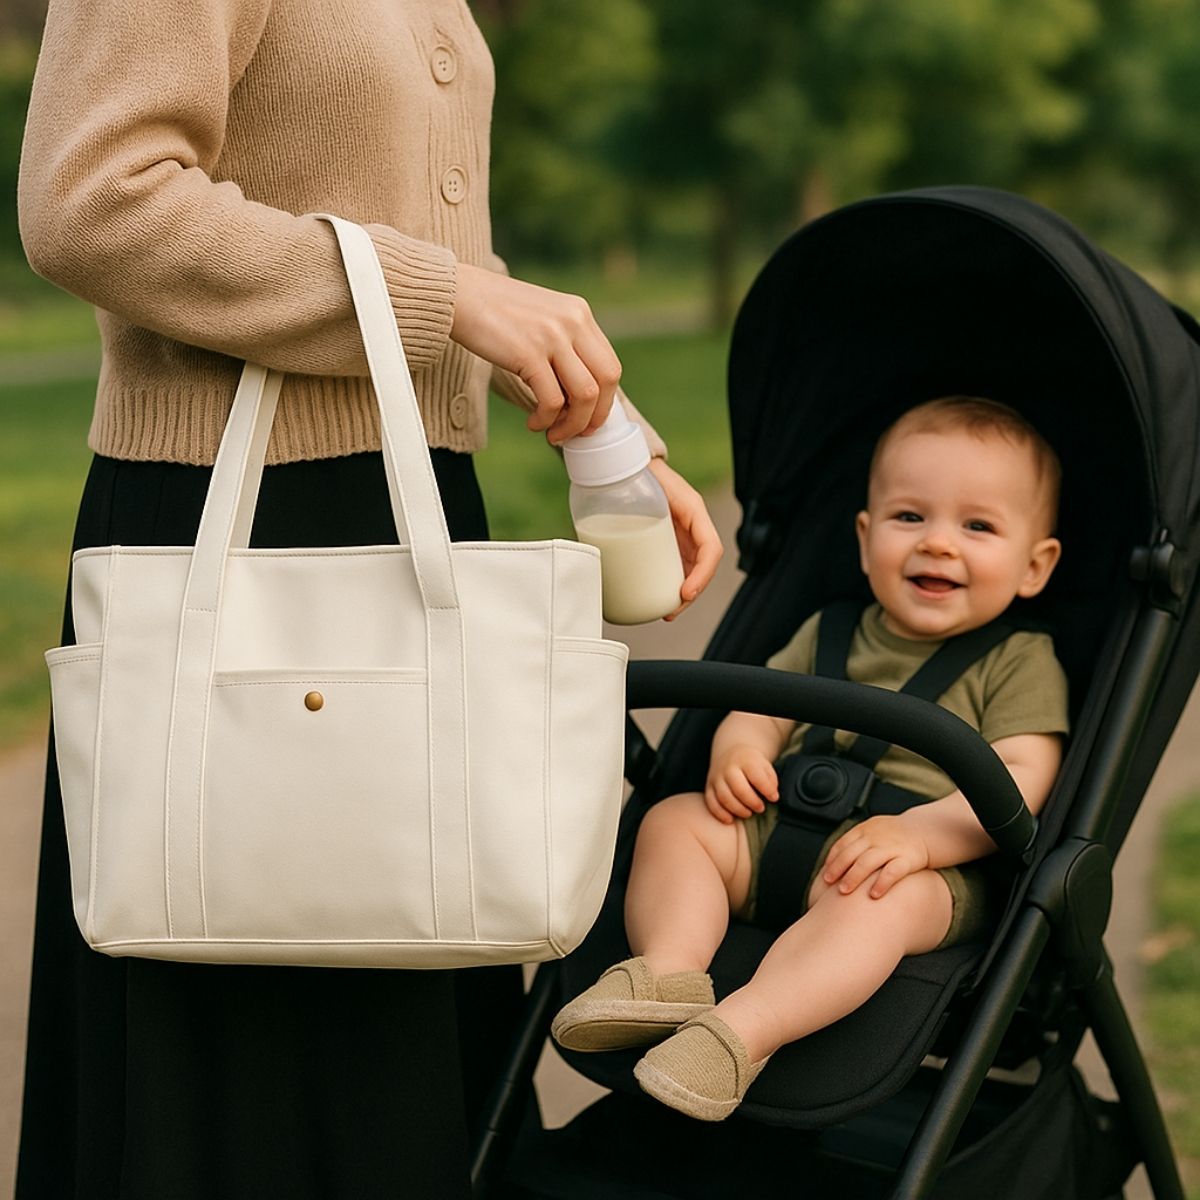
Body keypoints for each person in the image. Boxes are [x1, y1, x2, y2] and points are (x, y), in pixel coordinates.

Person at [15, 1, 722, 1196]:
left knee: (403, 1007)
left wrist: (608, 427)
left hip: (400, 514)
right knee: (230, 1038)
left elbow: (422, 256)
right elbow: (93, 198)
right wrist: (444, 293)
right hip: (228, 540)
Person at [552, 395, 1068, 1121]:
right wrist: (739, 751)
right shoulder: (828, 629)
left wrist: (920, 838)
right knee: (674, 821)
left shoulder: (1018, 660)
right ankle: (670, 973)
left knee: (884, 907)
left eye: (978, 526)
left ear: (1034, 566)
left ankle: (740, 1034)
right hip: (777, 829)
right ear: (865, 538)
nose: (938, 544)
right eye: (909, 517)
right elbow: (760, 707)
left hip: (914, 867)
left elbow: (1023, 777)